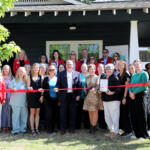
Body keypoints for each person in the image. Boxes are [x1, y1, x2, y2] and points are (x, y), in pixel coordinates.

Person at [55, 60, 81, 135]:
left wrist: (78, 95)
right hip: (63, 96)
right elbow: (58, 84)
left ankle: (72, 128)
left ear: (73, 65)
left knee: (72, 113)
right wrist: (56, 88)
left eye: (70, 64)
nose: (69, 65)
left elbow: (79, 86)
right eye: (67, 64)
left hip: (73, 96)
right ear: (65, 65)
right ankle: (63, 129)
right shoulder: (61, 73)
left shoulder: (77, 74)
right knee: (63, 113)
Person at [129, 59, 149, 140]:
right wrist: (130, 93)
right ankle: (136, 133)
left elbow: (144, 85)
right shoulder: (133, 75)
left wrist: (134, 93)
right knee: (133, 115)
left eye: (138, 64)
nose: (136, 65)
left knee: (141, 115)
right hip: (132, 96)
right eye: (135, 64)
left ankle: (143, 135)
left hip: (141, 96)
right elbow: (130, 85)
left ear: (140, 64)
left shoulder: (144, 73)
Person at [101, 63, 121, 137]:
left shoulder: (115, 77)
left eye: (110, 68)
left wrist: (113, 92)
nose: (108, 70)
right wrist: (99, 90)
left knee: (114, 116)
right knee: (107, 116)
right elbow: (101, 86)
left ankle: (116, 131)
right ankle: (111, 130)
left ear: (113, 70)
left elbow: (119, 88)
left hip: (114, 100)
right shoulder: (103, 76)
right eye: (107, 68)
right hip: (105, 99)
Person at [9, 67, 28, 134]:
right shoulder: (14, 80)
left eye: (22, 71)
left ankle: (23, 129)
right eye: (19, 71)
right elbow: (9, 89)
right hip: (15, 101)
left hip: (24, 101)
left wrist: (27, 101)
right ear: (17, 72)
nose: (21, 73)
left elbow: (28, 91)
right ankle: (15, 129)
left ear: (24, 73)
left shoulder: (26, 81)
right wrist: (12, 89)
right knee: (15, 116)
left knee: (24, 115)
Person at [83, 64, 100, 134]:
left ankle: (94, 127)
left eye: (93, 69)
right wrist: (85, 89)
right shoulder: (86, 77)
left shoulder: (97, 77)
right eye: (90, 69)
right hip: (88, 97)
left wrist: (94, 89)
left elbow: (98, 86)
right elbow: (85, 85)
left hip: (95, 96)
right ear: (88, 70)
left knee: (95, 112)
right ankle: (91, 126)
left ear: (95, 69)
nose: (91, 70)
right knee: (89, 112)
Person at [27, 63, 43, 135]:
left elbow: (42, 88)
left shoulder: (41, 77)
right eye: (34, 68)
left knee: (37, 113)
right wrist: (29, 88)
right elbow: (28, 87)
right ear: (32, 69)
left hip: (38, 97)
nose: (36, 69)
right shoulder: (29, 77)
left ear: (39, 69)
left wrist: (42, 95)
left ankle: (37, 128)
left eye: (37, 68)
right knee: (32, 113)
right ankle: (32, 129)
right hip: (32, 97)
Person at [117, 60, 132, 137]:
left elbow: (127, 87)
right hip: (119, 97)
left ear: (124, 66)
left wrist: (124, 97)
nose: (120, 66)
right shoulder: (118, 74)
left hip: (124, 97)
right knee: (122, 114)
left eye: (121, 65)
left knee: (125, 114)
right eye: (118, 65)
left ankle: (128, 131)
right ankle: (123, 129)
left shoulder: (126, 75)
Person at [42, 65, 58, 133]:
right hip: (47, 99)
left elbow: (60, 87)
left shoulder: (57, 78)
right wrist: (42, 96)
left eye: (53, 69)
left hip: (56, 99)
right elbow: (43, 88)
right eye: (50, 70)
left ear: (55, 71)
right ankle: (48, 129)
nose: (51, 71)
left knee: (55, 114)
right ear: (48, 71)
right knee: (49, 114)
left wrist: (58, 90)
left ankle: (54, 128)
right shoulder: (45, 78)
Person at [76, 63, 90, 129]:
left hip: (88, 96)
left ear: (87, 68)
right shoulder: (79, 75)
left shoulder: (89, 75)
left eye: (85, 67)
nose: (84, 68)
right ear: (81, 68)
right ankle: (78, 125)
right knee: (79, 111)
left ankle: (87, 126)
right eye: (82, 67)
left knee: (87, 111)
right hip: (80, 96)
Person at [1, 65, 13, 132]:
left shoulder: (12, 77)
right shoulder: (1, 77)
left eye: (8, 69)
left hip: (10, 96)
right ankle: (3, 126)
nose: (6, 70)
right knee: (3, 111)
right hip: (3, 96)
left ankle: (9, 125)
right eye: (5, 69)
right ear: (3, 70)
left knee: (9, 111)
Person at [97, 63, 107, 130]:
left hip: (103, 96)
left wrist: (100, 90)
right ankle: (101, 125)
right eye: (99, 67)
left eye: (101, 67)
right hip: (98, 96)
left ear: (103, 69)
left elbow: (104, 86)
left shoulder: (105, 76)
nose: (100, 69)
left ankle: (103, 126)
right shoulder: (98, 76)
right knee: (100, 111)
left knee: (103, 111)